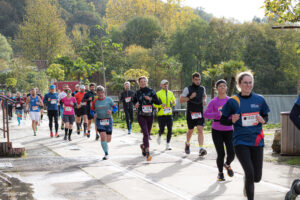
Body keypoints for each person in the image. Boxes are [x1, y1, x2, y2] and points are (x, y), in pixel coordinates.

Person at [220, 71, 270, 200]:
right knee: (250, 172)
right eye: (245, 83)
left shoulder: (260, 99)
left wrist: (263, 120)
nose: (248, 85)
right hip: (240, 141)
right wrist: (232, 120)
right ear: (239, 84)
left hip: (257, 141)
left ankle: (247, 181)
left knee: (257, 178)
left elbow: (266, 116)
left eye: (250, 82)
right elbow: (223, 120)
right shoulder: (233, 101)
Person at [203, 79, 234, 181]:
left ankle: (227, 164)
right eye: (220, 86)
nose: (222, 88)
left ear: (226, 88)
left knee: (232, 153)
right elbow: (205, 114)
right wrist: (217, 114)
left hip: (229, 129)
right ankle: (220, 173)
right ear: (216, 89)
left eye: (224, 86)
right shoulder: (213, 101)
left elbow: (235, 113)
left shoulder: (230, 101)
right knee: (221, 153)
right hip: (217, 130)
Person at [132, 76, 161, 161]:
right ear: (139, 83)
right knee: (145, 133)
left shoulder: (151, 91)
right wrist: (136, 104)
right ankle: (148, 152)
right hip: (141, 114)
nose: (143, 83)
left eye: (144, 81)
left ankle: (143, 146)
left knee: (147, 134)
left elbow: (158, 102)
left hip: (150, 115)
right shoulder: (137, 92)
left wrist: (150, 99)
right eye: (141, 82)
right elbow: (133, 100)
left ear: (147, 82)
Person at [179, 72, 208, 156]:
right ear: (192, 79)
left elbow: (204, 95)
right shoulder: (187, 89)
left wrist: (204, 100)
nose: (198, 81)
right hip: (190, 113)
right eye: (196, 80)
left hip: (199, 112)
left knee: (200, 129)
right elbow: (181, 100)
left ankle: (201, 148)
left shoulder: (202, 88)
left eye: (199, 80)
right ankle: (187, 143)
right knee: (191, 131)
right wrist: (190, 97)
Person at [91, 86, 118, 160]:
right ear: (97, 93)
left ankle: (105, 145)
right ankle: (106, 154)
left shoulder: (109, 100)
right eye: (99, 93)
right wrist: (94, 114)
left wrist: (112, 111)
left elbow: (116, 108)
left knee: (108, 140)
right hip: (99, 121)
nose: (100, 94)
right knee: (103, 136)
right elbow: (91, 110)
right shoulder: (95, 102)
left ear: (104, 92)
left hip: (108, 120)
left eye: (102, 93)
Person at [153, 80, 176, 150]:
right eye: (164, 84)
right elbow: (154, 104)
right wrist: (160, 106)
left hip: (169, 114)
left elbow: (174, 102)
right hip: (161, 115)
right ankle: (159, 135)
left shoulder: (170, 93)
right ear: (161, 85)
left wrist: (173, 102)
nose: (166, 85)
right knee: (162, 129)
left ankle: (168, 144)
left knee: (170, 129)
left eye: (166, 84)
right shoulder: (158, 94)